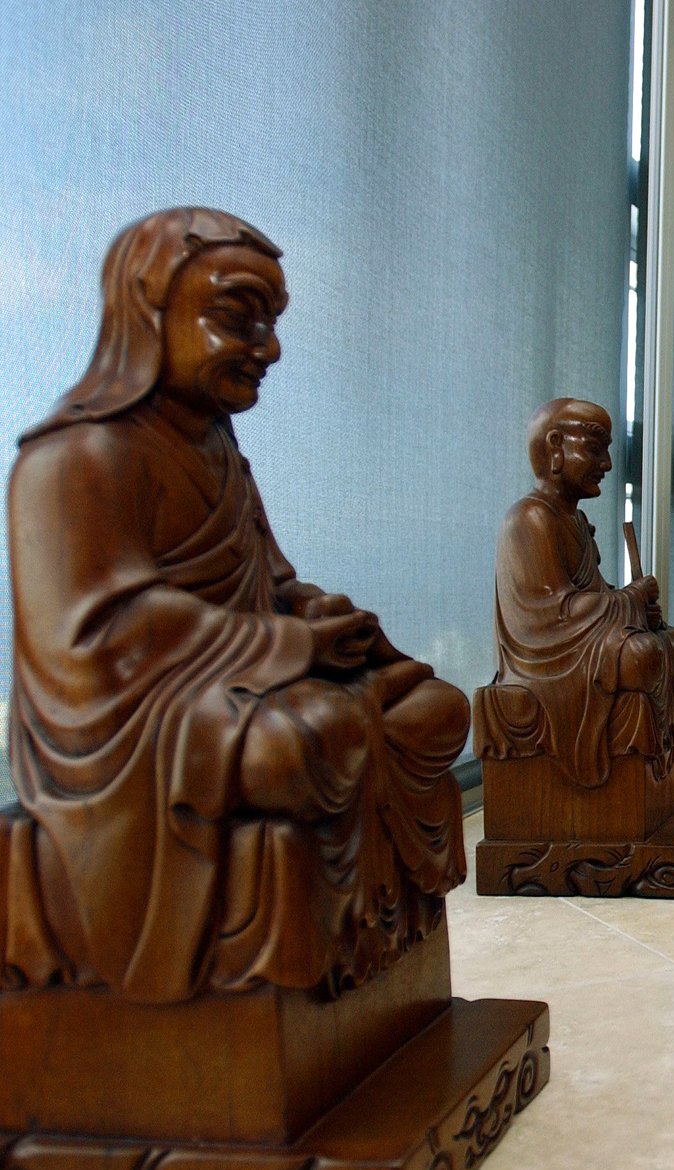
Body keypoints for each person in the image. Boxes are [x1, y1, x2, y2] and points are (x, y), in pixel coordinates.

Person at [5, 206, 469, 1003]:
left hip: (238, 684)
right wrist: (289, 646)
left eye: (272, 322)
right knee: (303, 743)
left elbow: (270, 583)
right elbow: (105, 636)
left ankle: (372, 950)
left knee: (436, 708)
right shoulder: (75, 457)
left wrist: (322, 617)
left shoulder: (219, 450)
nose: (269, 348)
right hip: (141, 725)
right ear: (147, 312)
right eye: (239, 317)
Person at [475, 397, 674, 787]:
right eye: (594, 449)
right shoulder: (530, 518)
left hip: (582, 645)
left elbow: (594, 595)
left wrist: (636, 608)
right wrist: (631, 599)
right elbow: (552, 614)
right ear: (555, 446)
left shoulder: (575, 521)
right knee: (644, 655)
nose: (606, 464)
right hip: (548, 658)